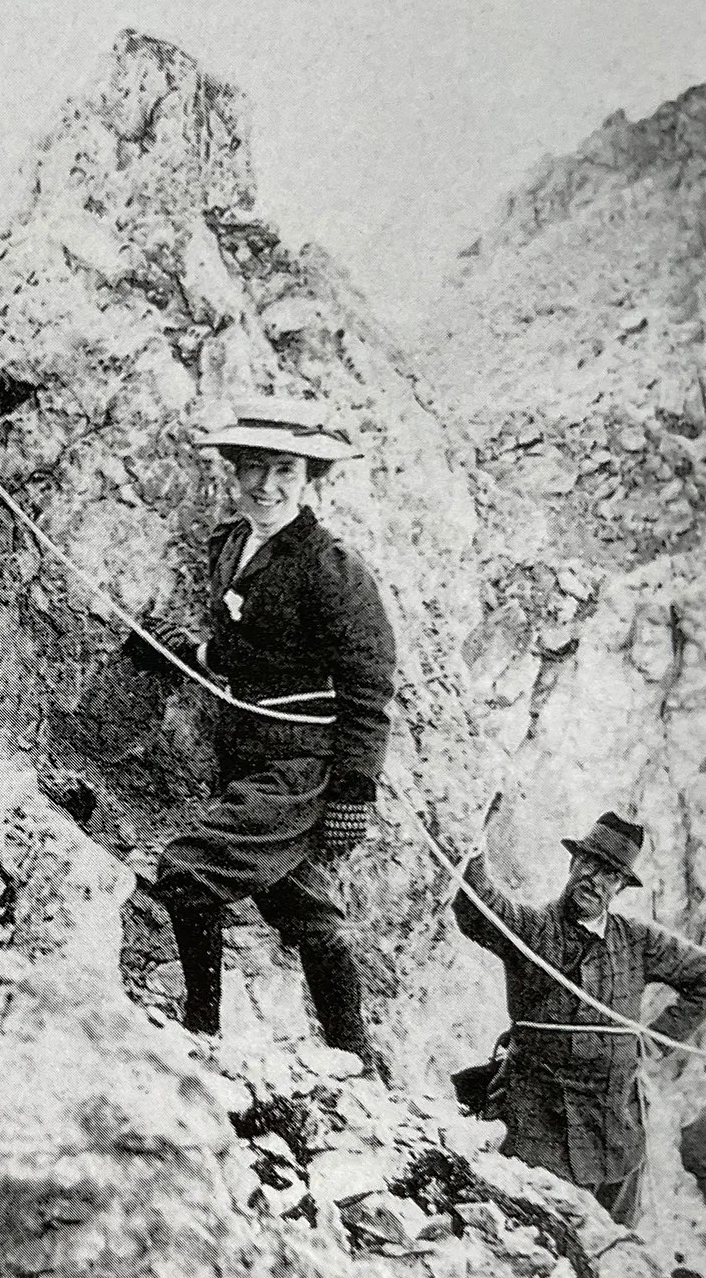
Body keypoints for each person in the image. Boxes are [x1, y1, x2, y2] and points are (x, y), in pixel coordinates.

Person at [130, 397, 397, 1073]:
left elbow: (369, 691)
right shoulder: (231, 544)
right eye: (253, 468)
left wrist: (352, 795)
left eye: (284, 470)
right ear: (233, 471)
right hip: (245, 753)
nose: (267, 486)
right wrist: (183, 653)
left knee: (187, 874)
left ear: (310, 479)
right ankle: (355, 1059)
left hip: (299, 767)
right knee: (303, 909)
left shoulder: (332, 567)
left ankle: (202, 1035)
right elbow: (244, 653)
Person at [453, 812, 706, 1228]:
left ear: (622, 886)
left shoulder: (638, 941)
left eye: (610, 874)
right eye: (589, 864)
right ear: (573, 864)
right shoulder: (532, 930)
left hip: (615, 1137)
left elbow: (701, 976)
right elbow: (480, 909)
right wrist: (471, 840)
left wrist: (656, 1039)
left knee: (613, 1254)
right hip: (537, 1132)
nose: (594, 879)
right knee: (536, 1249)